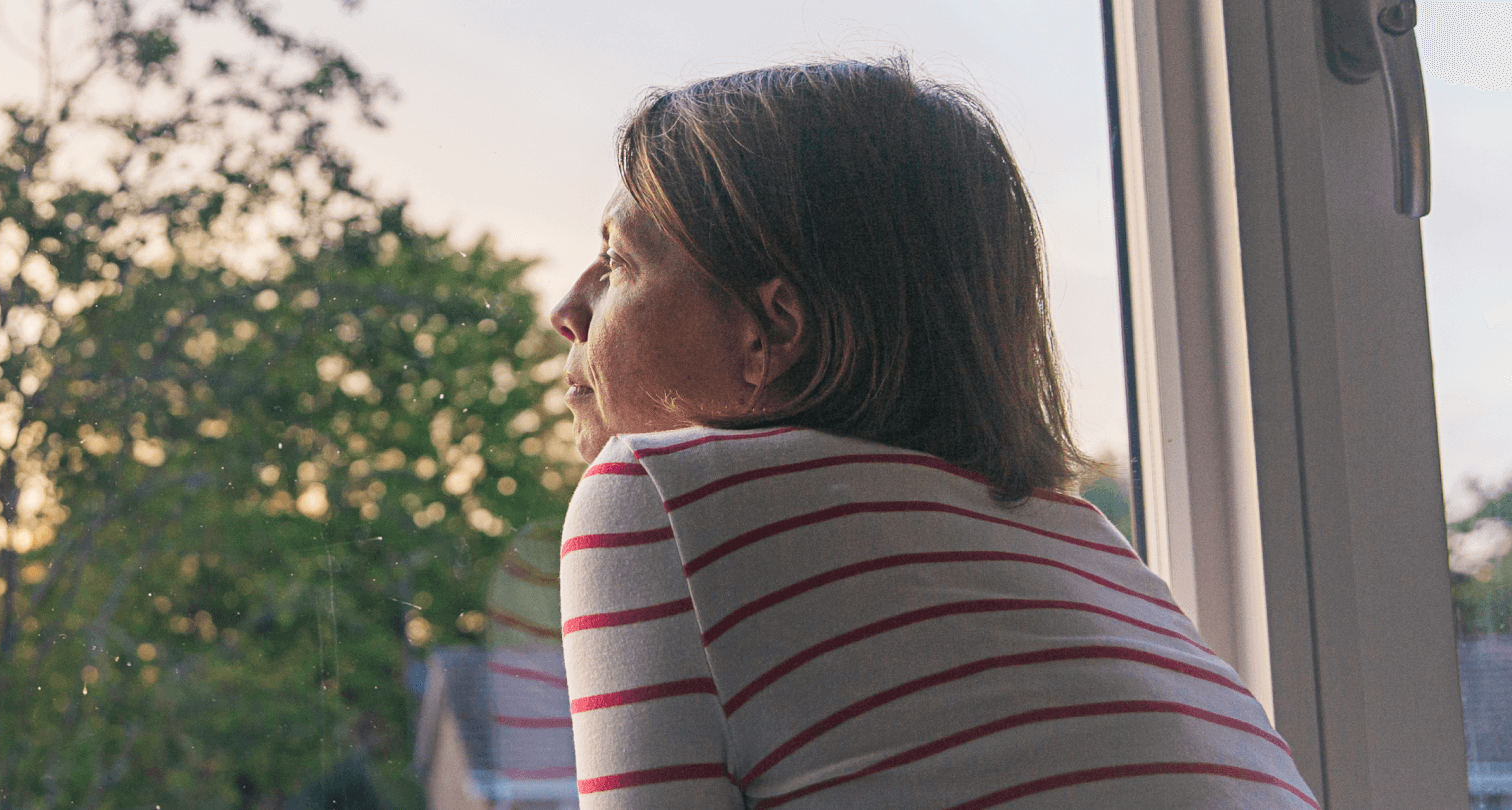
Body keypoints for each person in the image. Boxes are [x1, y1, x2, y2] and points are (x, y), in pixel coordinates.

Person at [541, 59, 1316, 809]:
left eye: (617, 262)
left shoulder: (658, 497)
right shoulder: (1083, 544)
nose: (568, 309)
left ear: (772, 329)